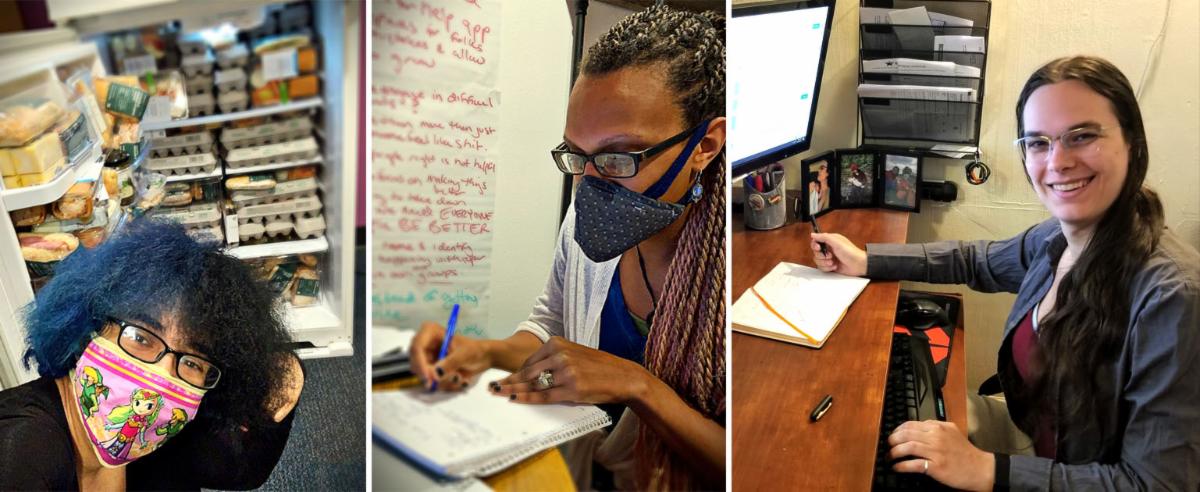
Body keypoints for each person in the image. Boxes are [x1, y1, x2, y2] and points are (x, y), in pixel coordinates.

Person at [811, 56, 1200, 490]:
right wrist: (867, 259)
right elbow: (974, 260)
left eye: (1083, 135)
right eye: (1037, 142)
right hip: (1031, 431)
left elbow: (1156, 484)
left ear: (1133, 142)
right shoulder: (1060, 237)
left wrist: (986, 470)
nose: (1058, 161)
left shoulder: (1172, 298)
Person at [409, 6, 726, 490]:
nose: (591, 182)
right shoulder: (591, 217)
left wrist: (641, 389)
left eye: (619, 156)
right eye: (578, 155)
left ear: (705, 145)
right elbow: (550, 324)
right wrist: (485, 351)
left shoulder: (731, 271)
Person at [0, 221, 305, 490]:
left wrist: (285, 369)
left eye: (192, 360)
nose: (160, 375)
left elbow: (238, 470)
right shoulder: (24, 446)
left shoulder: (144, 438)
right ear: (87, 327)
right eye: (140, 337)